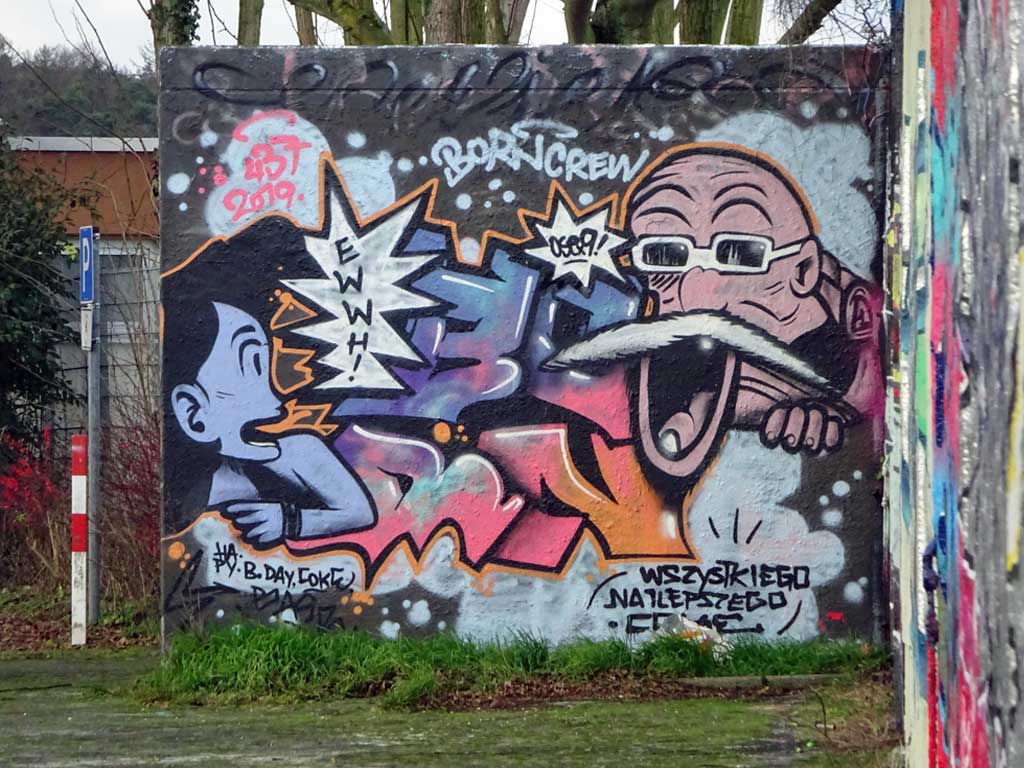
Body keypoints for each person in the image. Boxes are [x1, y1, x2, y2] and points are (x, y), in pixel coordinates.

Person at [163, 218, 375, 547]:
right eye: (250, 361)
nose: (276, 376)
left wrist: (291, 521)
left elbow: (359, 512)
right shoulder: (194, 486)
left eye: (262, 358)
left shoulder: (296, 451)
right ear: (193, 411)